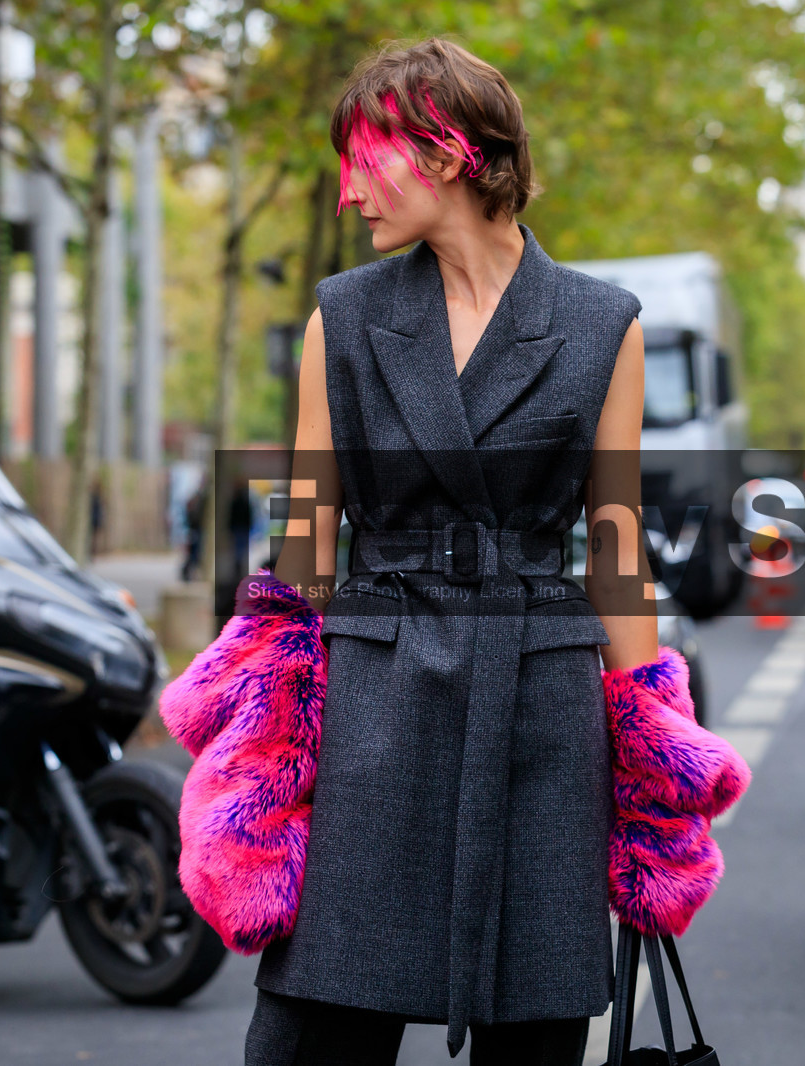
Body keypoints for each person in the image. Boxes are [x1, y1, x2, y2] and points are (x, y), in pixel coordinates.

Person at [245, 41, 661, 1063]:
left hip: (540, 707)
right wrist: (260, 744)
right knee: (313, 1030)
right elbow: (303, 547)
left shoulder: (602, 324)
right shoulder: (343, 317)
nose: (347, 193)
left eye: (364, 161)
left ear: (444, 153)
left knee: (534, 1034)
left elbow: (616, 549)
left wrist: (656, 762)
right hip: (375, 702)